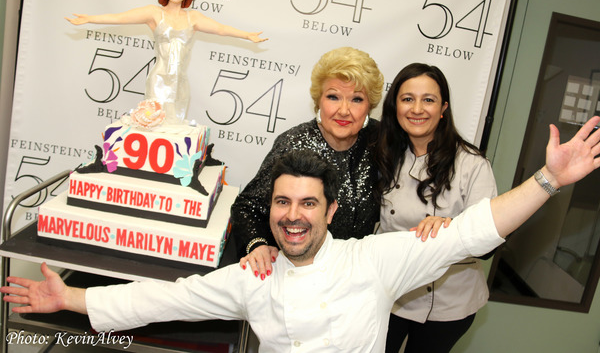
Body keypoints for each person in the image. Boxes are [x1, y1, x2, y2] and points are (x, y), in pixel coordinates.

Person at [2, 119, 600, 352]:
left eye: (308, 203)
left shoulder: (376, 260)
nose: (293, 215)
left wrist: (550, 177)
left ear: (331, 211)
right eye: (283, 202)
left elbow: (472, 230)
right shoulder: (254, 275)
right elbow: (170, 297)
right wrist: (72, 300)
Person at [231, 46, 384, 278]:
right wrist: (258, 245)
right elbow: (247, 207)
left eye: (356, 99)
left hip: (352, 276)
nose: (344, 110)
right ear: (319, 100)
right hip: (293, 275)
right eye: (333, 97)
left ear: (369, 106)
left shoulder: (381, 143)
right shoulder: (293, 143)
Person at [375, 63, 497, 352]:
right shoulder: (383, 154)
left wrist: (450, 227)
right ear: (395, 107)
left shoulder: (472, 164)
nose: (417, 109)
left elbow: (488, 244)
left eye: (428, 100)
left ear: (443, 108)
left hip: (447, 302)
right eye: (407, 99)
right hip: (390, 291)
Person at [66, 0, 266, 123]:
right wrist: (90, 19)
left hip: (180, 83)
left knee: (175, 125)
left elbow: (221, 29)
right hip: (159, 80)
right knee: (154, 122)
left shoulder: (193, 18)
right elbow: (120, 17)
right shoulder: (154, 14)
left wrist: (247, 35)